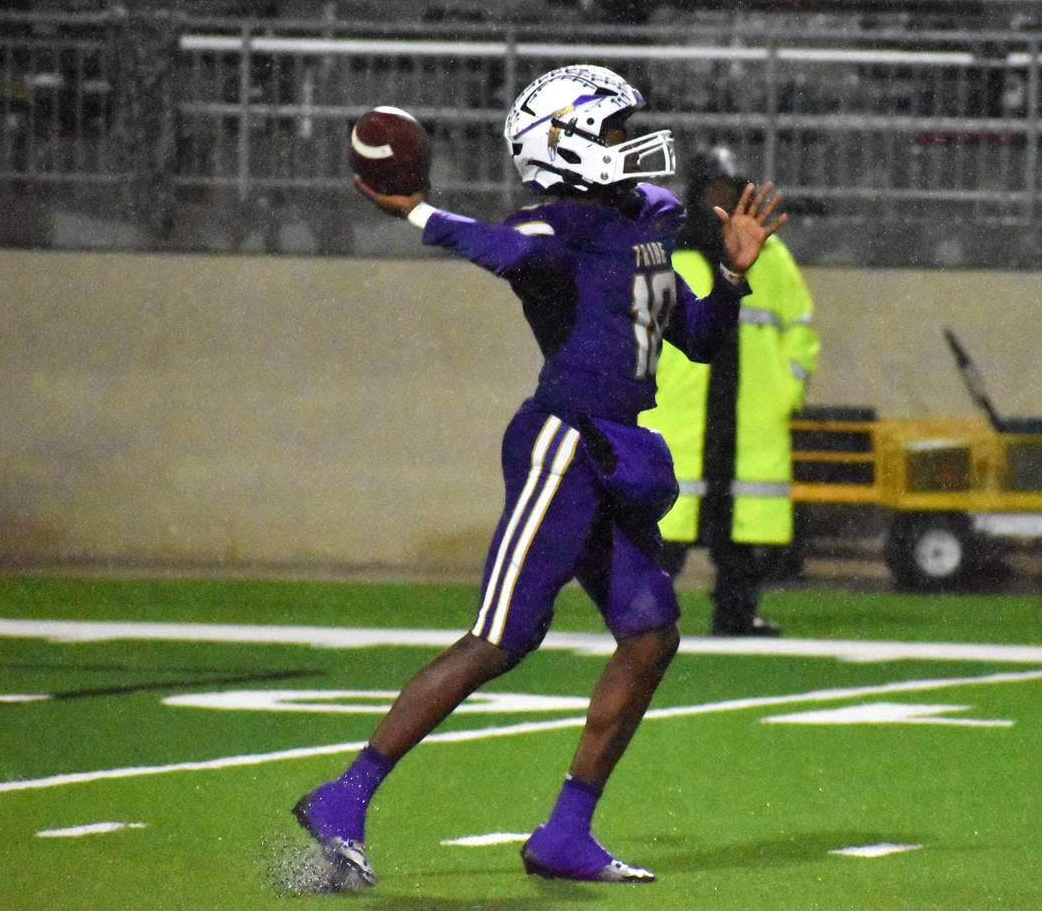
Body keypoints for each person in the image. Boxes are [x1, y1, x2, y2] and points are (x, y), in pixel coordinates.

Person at [292, 65, 788, 890]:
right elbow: (498, 246)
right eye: (616, 131)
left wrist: (732, 276)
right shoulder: (551, 228)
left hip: (614, 450)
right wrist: (416, 209)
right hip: (562, 441)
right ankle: (343, 798)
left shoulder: (651, 219)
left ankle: (566, 833)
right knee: (502, 638)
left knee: (651, 633)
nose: (634, 145)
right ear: (568, 144)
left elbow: (698, 337)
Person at [640, 146, 819, 637]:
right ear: (695, 193)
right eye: (712, 190)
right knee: (664, 532)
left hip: (749, 417)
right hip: (681, 416)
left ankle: (737, 616)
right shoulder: (663, 252)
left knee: (741, 535)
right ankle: (644, 620)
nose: (720, 200)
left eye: (729, 189)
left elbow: (799, 331)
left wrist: (787, 394)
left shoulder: (770, 253)